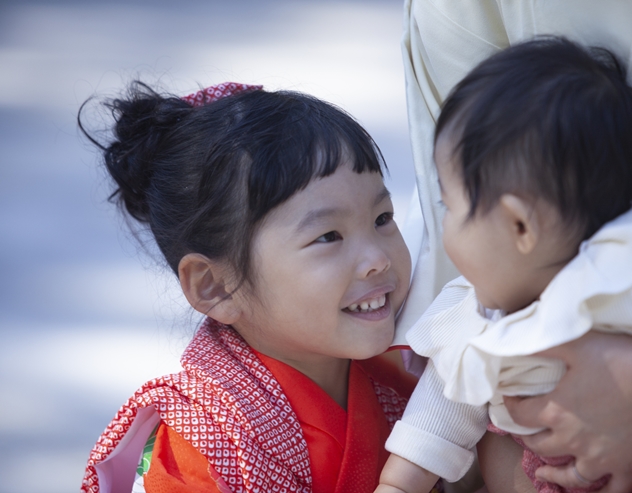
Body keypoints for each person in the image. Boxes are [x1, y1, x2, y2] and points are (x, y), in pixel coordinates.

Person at [395, 1, 632, 491]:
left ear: (520, 227)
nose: (443, 226)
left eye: (450, 207)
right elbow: (438, 412)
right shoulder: (471, 312)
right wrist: (398, 483)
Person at [78, 81, 417, 493]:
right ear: (215, 286)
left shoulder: (410, 371)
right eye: (329, 236)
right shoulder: (202, 442)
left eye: (382, 218)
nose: (378, 259)